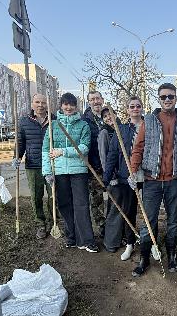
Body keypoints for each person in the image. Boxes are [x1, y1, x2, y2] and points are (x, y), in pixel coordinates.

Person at [128, 83, 177, 277]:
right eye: (163, 97)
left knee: (173, 220)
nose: (167, 100)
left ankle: (172, 255)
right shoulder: (150, 120)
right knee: (148, 220)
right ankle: (144, 259)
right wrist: (133, 172)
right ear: (159, 99)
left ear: (176, 98)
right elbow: (138, 148)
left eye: (171, 96)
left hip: (173, 180)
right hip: (151, 179)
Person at [43, 92, 98, 253]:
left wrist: (62, 151)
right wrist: (47, 172)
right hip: (59, 172)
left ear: (76, 107)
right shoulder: (53, 125)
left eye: (72, 104)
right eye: (66, 104)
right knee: (64, 205)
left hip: (78, 170)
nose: (68, 107)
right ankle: (71, 237)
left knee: (81, 205)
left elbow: (84, 148)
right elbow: (45, 150)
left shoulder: (83, 125)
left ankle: (86, 240)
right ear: (61, 106)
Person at [102, 97, 144, 259]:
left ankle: (149, 243)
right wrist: (106, 178)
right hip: (127, 177)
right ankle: (130, 243)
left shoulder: (148, 127)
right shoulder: (121, 130)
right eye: (132, 106)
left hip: (147, 176)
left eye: (138, 106)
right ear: (127, 110)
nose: (135, 109)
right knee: (129, 211)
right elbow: (112, 155)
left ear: (142, 108)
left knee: (149, 211)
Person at [12, 93, 53, 239]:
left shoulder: (54, 120)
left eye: (43, 102)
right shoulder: (24, 122)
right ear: (32, 104)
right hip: (33, 165)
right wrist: (16, 157)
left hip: (52, 165)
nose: (40, 105)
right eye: (37, 102)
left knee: (54, 196)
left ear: (47, 104)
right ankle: (40, 223)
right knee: (36, 197)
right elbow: (20, 142)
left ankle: (53, 221)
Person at [81, 90, 107, 237]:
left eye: (98, 98)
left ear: (102, 99)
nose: (96, 101)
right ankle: (102, 226)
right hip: (94, 166)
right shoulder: (85, 120)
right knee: (97, 199)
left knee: (114, 197)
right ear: (89, 102)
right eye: (92, 99)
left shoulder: (108, 116)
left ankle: (113, 225)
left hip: (110, 166)